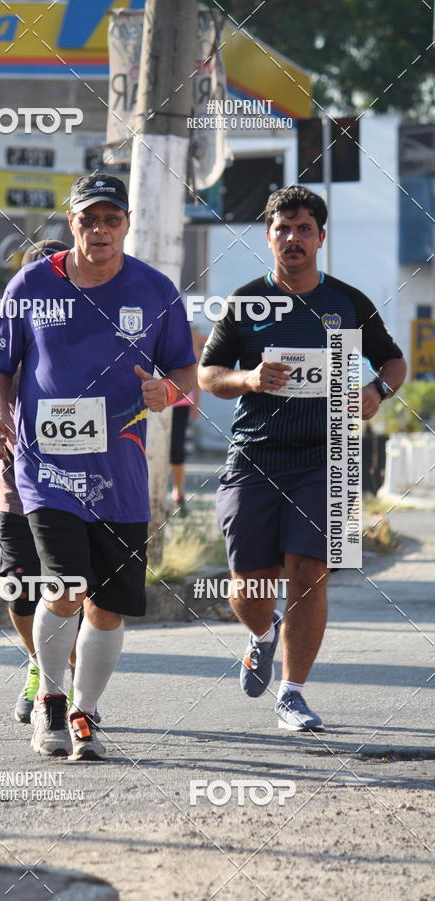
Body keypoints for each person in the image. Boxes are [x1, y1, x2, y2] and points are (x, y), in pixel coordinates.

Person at [0, 174, 196, 760]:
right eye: (87, 219)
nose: (99, 230)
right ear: (70, 223)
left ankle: (85, 710)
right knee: (66, 586)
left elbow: (185, 371)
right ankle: (51, 698)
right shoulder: (31, 283)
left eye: (110, 219)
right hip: (44, 467)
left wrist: (167, 392)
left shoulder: (155, 290)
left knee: (108, 606)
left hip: (121, 475)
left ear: (126, 224)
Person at [198, 185, 407, 732]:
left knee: (309, 573)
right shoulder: (245, 302)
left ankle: (292, 693)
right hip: (255, 457)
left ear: (320, 236)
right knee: (251, 584)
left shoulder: (348, 302)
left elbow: (392, 361)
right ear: (268, 236)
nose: (293, 238)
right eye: (282, 229)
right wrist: (247, 378)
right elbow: (207, 376)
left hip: (326, 458)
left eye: (303, 229)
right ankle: (261, 635)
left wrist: (377, 394)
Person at [0, 239, 70, 725]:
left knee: (72, 585)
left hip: (81, 482)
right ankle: (38, 664)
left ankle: (67, 683)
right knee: (19, 584)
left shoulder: (82, 328)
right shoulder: (13, 327)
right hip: (18, 480)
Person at [170, 327, 203, 517]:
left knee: (176, 448)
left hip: (180, 400)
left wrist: (196, 402)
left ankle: (178, 492)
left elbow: (195, 366)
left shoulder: (189, 331)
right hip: (152, 401)